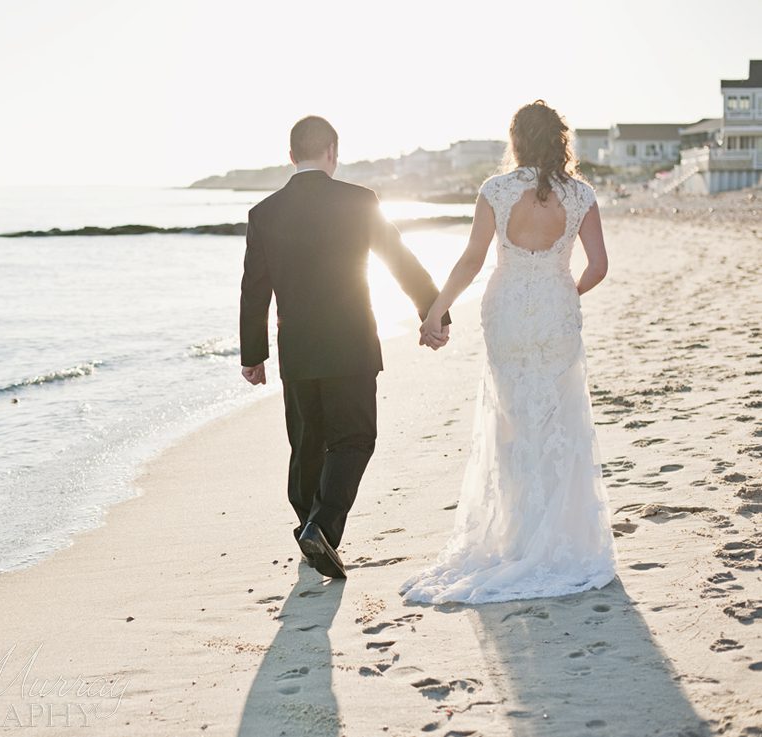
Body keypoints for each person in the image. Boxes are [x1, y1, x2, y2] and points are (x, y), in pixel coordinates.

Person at [400, 100, 617, 604]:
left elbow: (473, 260)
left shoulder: (495, 191)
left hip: (507, 317)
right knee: (560, 420)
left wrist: (435, 311)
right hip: (555, 314)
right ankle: (559, 536)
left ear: (516, 140)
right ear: (560, 141)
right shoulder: (581, 194)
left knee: (513, 421)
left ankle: (517, 538)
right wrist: (567, 292)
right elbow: (599, 265)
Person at [239, 115, 451, 579]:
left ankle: (311, 529)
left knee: (307, 444)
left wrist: (252, 355)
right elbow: (399, 259)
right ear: (333, 152)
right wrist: (433, 312)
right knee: (354, 440)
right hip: (351, 344)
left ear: (291, 156)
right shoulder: (360, 201)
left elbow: (254, 290)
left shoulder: (264, 213)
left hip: (298, 351)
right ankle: (320, 527)